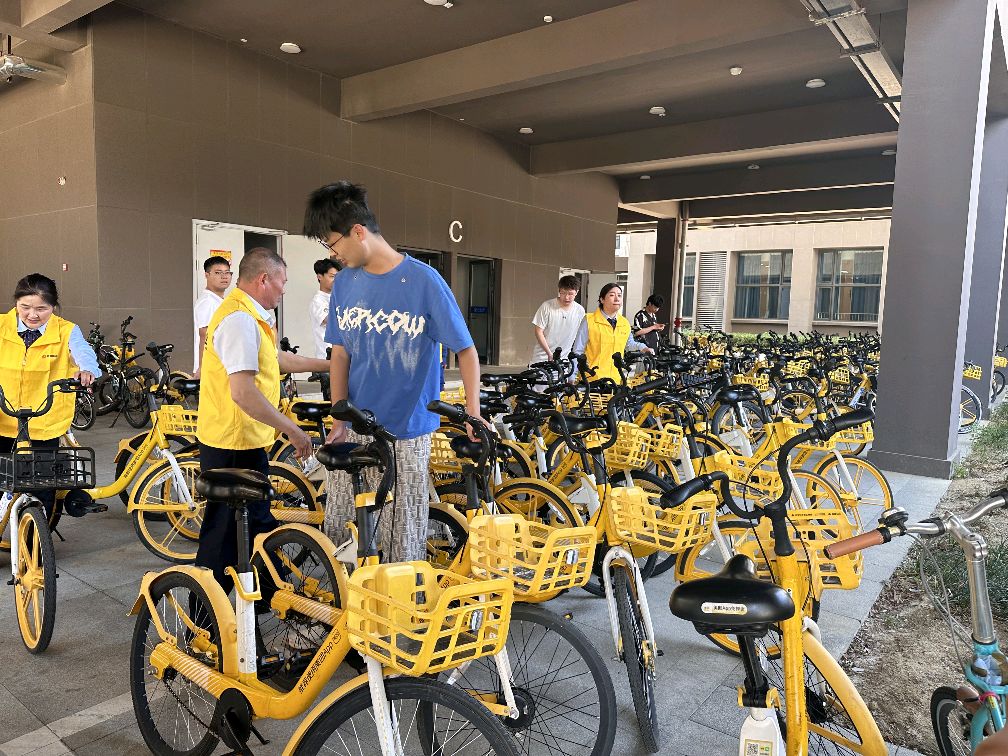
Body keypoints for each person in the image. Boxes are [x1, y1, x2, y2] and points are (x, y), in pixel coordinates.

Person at [303, 180, 484, 562]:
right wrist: (339, 419)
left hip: (406, 431)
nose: (333, 254)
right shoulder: (345, 283)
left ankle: (398, 596)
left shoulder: (424, 281)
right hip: (356, 425)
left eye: (332, 244)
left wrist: (473, 412)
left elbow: (466, 350)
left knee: (401, 540)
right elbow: (340, 354)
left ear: (358, 232)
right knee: (343, 532)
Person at [194, 248, 329, 590]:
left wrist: (330, 364)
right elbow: (242, 392)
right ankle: (205, 612)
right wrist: (293, 430)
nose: (284, 289)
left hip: (241, 439)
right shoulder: (239, 320)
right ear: (264, 279)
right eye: (283, 281)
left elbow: (277, 360)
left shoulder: (251, 316)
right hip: (232, 443)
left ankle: (269, 597)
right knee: (224, 534)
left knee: (253, 526)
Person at [0, 274, 103, 517]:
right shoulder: (1, 325)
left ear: (53, 307)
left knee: (42, 486)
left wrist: (87, 370)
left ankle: (37, 535)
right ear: (16, 303)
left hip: (45, 422)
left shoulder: (66, 330)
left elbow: (84, 353)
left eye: (41, 309)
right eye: (25, 307)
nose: (32, 315)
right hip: (4, 418)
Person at [572, 282, 652, 382]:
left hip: (616, 379)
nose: (617, 299)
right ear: (602, 299)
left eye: (619, 295)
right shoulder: (589, 320)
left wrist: (643, 347)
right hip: (592, 379)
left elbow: (629, 344)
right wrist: (572, 376)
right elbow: (578, 351)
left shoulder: (624, 323)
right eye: (612, 295)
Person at [530, 275, 585, 366]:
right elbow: (538, 331)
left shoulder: (579, 310)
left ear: (577, 292)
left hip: (564, 359)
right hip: (542, 358)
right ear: (559, 291)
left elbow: (580, 335)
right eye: (563, 293)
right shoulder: (547, 306)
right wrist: (549, 353)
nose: (566, 297)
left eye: (570, 294)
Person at [192, 255, 232, 378]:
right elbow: (204, 335)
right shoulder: (208, 302)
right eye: (218, 273)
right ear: (207, 275)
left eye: (227, 272)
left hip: (220, 366)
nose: (224, 276)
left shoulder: (219, 301)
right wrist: (202, 368)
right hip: (211, 369)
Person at [309, 258, 338, 401]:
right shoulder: (318, 301)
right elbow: (330, 320)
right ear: (320, 277)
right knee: (332, 401)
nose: (335, 280)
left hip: (340, 357)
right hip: (326, 359)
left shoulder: (337, 297)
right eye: (332, 276)